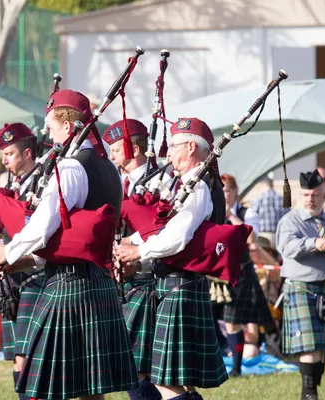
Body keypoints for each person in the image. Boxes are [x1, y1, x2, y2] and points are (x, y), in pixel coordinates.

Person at [0, 90, 138, 399]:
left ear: (68, 128)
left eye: (50, 126)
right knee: (90, 390)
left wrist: (7, 253)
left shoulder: (71, 167)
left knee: (51, 389)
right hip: (97, 282)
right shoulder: (108, 167)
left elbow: (42, 227)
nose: (47, 133)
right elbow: (72, 232)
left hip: (70, 285)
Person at [114, 117, 229, 400]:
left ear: (191, 147)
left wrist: (137, 251)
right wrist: (133, 244)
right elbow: (163, 227)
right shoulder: (188, 184)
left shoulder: (198, 185)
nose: (168, 153)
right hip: (173, 286)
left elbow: (178, 237)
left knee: (168, 383)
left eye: (174, 145)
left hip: (179, 286)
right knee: (169, 381)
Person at [102, 118, 164, 400]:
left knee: (141, 368)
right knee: (132, 365)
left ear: (135, 149)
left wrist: (131, 244)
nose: (112, 155)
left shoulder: (160, 181)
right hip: (124, 281)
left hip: (148, 277)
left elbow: (161, 228)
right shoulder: (118, 182)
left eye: (116, 149)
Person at [0, 122, 46, 399]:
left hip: (39, 279)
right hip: (13, 283)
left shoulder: (45, 183)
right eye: (2, 155)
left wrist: (20, 259)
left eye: (9, 154)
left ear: (26, 153)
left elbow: (51, 238)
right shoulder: (9, 187)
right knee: (19, 360)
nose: (4, 161)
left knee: (33, 360)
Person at [276, 169, 325, 400]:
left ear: (324, 195)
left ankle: (313, 382)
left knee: (322, 348)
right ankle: (308, 393)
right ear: (299, 195)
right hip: (302, 288)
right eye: (306, 195)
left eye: (315, 195)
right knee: (311, 347)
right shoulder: (290, 221)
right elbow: (287, 248)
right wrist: (315, 242)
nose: (310, 199)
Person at [219, 173, 273, 377]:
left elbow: (252, 240)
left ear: (235, 192)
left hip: (240, 271)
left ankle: (236, 367)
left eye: (227, 191)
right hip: (217, 273)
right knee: (224, 320)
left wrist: (231, 216)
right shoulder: (212, 211)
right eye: (221, 190)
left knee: (236, 319)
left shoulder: (246, 213)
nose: (223, 195)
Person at [252, 173, 289, 247]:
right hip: (279, 237)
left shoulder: (259, 199)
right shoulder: (282, 199)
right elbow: (289, 218)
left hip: (263, 238)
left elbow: (253, 218)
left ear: (262, 184)